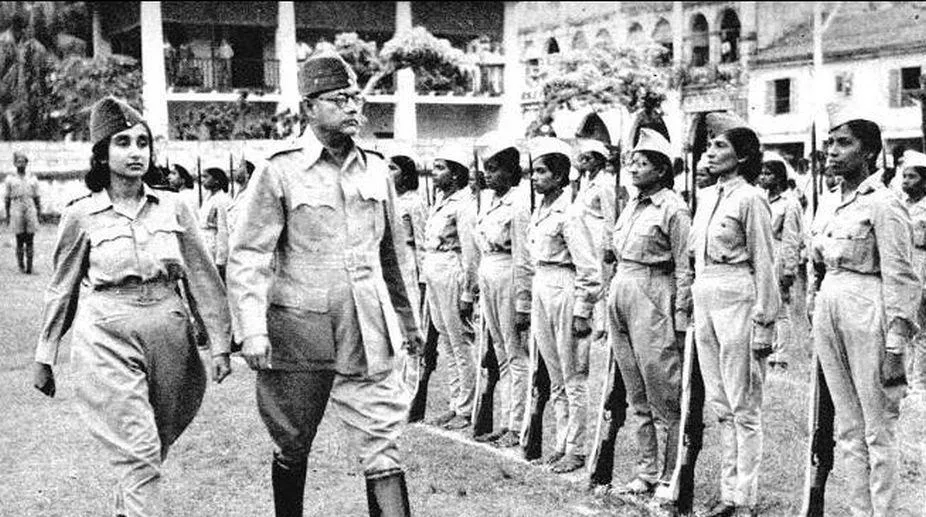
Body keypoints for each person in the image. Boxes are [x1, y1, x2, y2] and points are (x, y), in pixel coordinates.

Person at [227, 54, 422, 517]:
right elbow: (249, 255)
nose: (353, 107)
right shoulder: (278, 169)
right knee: (293, 441)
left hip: (368, 329)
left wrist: (409, 322)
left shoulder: (376, 168)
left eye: (356, 98)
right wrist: (252, 330)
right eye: (339, 99)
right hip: (298, 333)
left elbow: (392, 256)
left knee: (383, 442)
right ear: (308, 108)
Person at [31, 96, 232, 517]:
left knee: (150, 450)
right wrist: (44, 355)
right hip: (107, 334)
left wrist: (219, 343)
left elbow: (202, 278)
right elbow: (61, 289)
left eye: (143, 142)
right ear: (102, 153)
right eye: (122, 142)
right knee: (139, 451)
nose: (135, 151)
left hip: (169, 336)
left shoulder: (175, 206)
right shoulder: (82, 215)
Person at [807, 105, 919, 517]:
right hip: (831, 303)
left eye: (843, 143)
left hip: (867, 306)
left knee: (878, 427)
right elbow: (816, 263)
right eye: (829, 144)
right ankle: (859, 511)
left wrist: (895, 348)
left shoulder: (884, 204)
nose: (832, 152)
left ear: (869, 152)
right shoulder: (828, 201)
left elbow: (902, 279)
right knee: (848, 428)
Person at [688, 114, 779, 517]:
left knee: (744, 404)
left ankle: (746, 497)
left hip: (738, 294)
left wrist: (764, 322)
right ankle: (727, 493)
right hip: (706, 293)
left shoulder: (751, 198)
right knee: (720, 403)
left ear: (742, 157)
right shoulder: (708, 197)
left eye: (720, 145)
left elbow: (765, 262)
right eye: (709, 144)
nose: (710, 151)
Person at [607, 129, 692, 496]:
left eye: (642, 163)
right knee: (635, 390)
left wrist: (681, 314)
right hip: (623, 287)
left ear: (660, 170)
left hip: (655, 290)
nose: (634, 169)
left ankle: (669, 475)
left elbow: (684, 265)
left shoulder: (673, 208)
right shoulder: (631, 204)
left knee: (663, 389)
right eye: (632, 162)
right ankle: (645, 470)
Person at [524, 137, 600, 474]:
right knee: (554, 373)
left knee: (573, 374)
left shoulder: (572, 212)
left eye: (542, 172)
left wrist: (583, 309)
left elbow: (588, 267)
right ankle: (561, 442)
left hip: (564, 286)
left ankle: (578, 447)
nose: (535, 177)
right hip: (542, 282)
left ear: (559, 177)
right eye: (534, 171)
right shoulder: (540, 210)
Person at [469, 136, 531, 447]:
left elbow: (523, 255)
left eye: (494, 170)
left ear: (510, 171)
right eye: (486, 170)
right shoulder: (490, 201)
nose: (488, 175)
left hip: (508, 273)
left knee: (515, 352)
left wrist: (523, 300)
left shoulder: (519, 203)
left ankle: (517, 425)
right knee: (500, 351)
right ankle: (506, 421)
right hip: (490, 273)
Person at [421, 143, 479, 431]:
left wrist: (469, 290)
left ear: (455, 174)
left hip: (452, 270)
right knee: (446, 340)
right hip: (435, 269)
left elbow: (470, 252)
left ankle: (466, 408)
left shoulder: (464, 204)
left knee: (460, 341)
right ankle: (455, 403)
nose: (434, 173)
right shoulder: (441, 201)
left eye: (441, 168)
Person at [759, 154, 805, 369]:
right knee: (763, 305)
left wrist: (789, 270)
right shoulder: (760, 199)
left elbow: (791, 238)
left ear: (778, 178)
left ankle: (781, 355)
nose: (762, 177)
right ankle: (766, 347)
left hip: (778, 256)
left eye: (767, 174)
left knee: (781, 308)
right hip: (763, 256)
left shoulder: (790, 203)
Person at [901, 150, 926, 394]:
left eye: (912, 177)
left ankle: (919, 381)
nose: (906, 181)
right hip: (906, 267)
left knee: (922, 328)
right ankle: (906, 377)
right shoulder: (901, 204)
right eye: (904, 176)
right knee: (904, 325)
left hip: (922, 267)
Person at [389, 151, 427, 310]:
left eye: (392, 168)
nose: (388, 173)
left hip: (407, 260)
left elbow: (422, 239)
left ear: (405, 175)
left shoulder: (414, 202)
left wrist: (423, 277)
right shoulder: (386, 199)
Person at [4, 150, 40, 273]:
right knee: (19, 239)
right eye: (18, 162)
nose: (21, 164)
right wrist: (8, 215)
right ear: (15, 164)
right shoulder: (10, 179)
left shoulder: (32, 178)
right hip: (16, 208)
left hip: (29, 207)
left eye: (23, 162)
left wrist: (38, 213)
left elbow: (37, 197)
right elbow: (7, 198)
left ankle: (30, 267)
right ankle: (21, 266)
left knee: (30, 238)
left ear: (26, 163)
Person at [199, 166, 231, 280]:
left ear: (216, 180)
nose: (202, 179)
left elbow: (223, 229)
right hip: (205, 243)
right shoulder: (208, 198)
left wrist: (221, 259)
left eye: (206, 177)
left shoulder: (222, 200)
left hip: (214, 245)